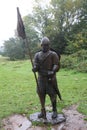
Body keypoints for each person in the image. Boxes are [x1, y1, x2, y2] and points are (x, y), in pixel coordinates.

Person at [32, 37, 60, 119]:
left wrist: (53, 71)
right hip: (41, 78)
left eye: (47, 45)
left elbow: (56, 64)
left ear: (49, 45)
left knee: (52, 94)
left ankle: (54, 110)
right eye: (44, 45)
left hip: (50, 78)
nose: (45, 47)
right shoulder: (37, 55)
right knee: (41, 94)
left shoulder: (53, 54)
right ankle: (43, 110)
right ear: (41, 45)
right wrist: (35, 68)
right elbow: (36, 64)